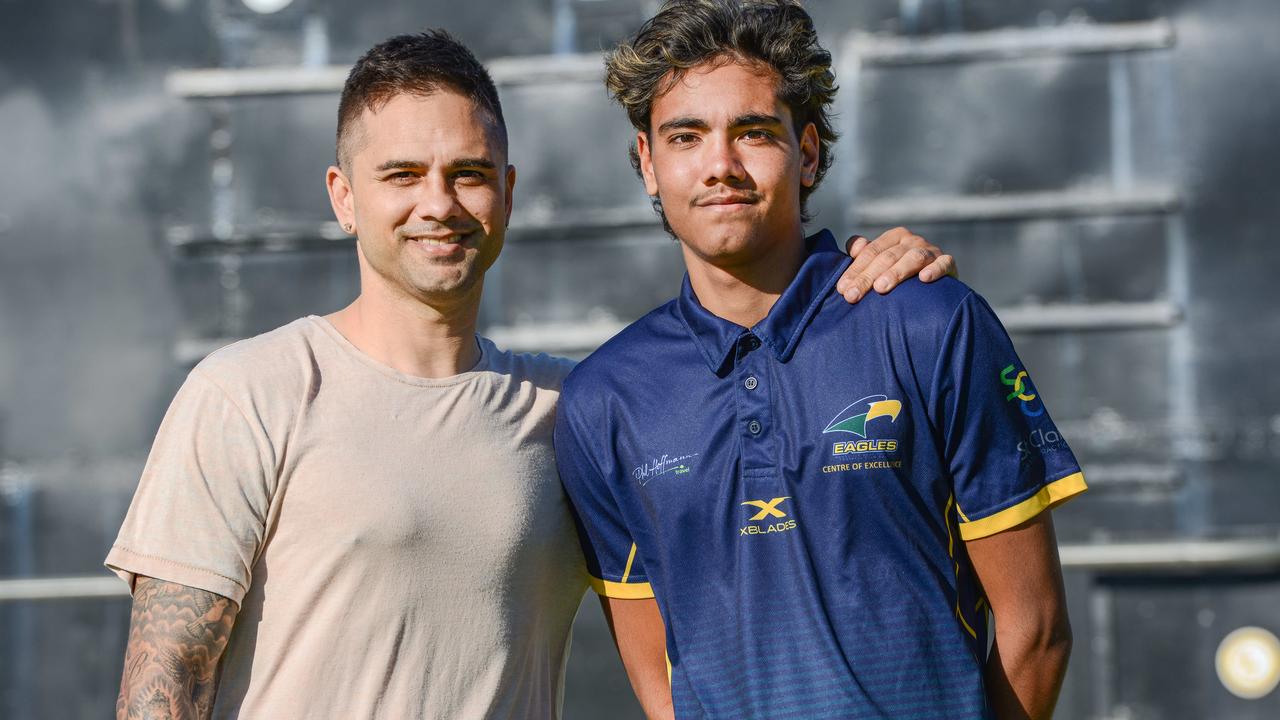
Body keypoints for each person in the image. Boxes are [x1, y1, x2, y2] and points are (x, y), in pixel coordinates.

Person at [106, 29, 953, 720]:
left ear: (506, 193)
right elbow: (164, 684)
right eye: (400, 175)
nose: (437, 204)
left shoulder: (575, 410)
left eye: (467, 175)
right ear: (343, 196)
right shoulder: (251, 393)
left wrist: (872, 274)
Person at [554, 2, 1087, 719]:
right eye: (686, 136)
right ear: (649, 164)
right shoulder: (601, 400)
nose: (721, 165)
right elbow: (664, 686)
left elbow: (1039, 631)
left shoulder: (931, 323)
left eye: (753, 132)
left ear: (806, 153)